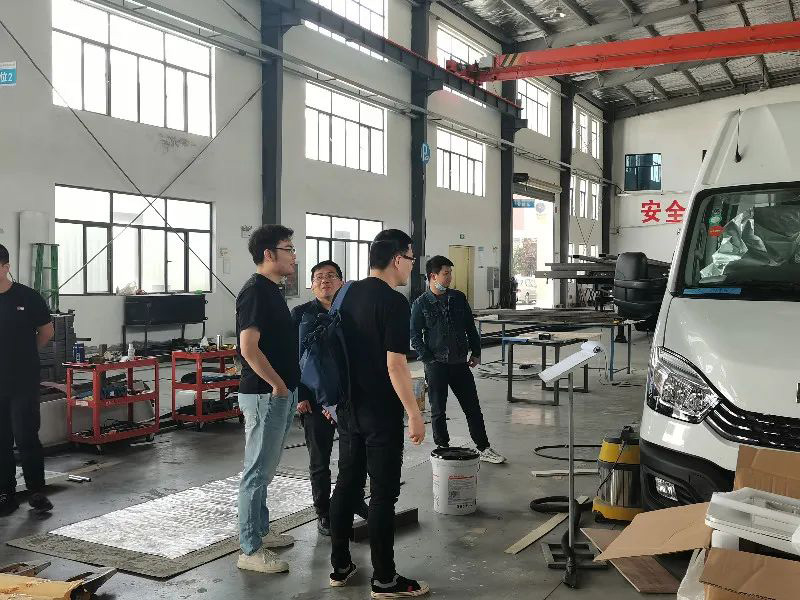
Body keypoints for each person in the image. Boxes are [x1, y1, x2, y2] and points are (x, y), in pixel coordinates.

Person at [328, 229, 429, 598]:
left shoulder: (345, 293)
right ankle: (385, 580)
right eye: (411, 259)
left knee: (346, 484)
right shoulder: (394, 302)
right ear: (398, 259)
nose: (412, 266)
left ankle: (340, 567)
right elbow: (395, 365)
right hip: (380, 412)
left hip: (347, 408)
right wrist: (414, 412)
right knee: (384, 495)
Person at [235, 225, 300, 574]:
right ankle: (249, 549)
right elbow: (248, 348)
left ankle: (260, 530)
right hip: (264, 394)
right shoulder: (255, 292)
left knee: (265, 469)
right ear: (268, 254)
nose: (294, 256)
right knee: (256, 472)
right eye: (288, 249)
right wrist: (277, 385)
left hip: (278, 392)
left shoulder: (272, 290)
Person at [291, 260, 368, 536]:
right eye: (319, 277)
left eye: (331, 276)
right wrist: (301, 395)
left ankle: (354, 499)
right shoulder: (300, 315)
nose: (325, 281)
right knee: (319, 459)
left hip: (348, 399)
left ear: (341, 283)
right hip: (313, 400)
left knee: (354, 455)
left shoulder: (351, 313)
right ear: (312, 285)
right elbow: (293, 358)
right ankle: (323, 512)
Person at [410, 256, 505, 464]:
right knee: (438, 410)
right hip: (436, 366)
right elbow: (414, 336)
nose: (450, 277)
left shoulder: (458, 298)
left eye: (450, 273)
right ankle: (442, 449)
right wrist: (429, 360)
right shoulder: (420, 304)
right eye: (446, 273)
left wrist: (476, 352)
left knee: (472, 408)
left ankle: (483, 447)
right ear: (433, 276)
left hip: (460, 364)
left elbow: (470, 327)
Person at [0, 243, 55, 516]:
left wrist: (25, 354)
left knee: (26, 436)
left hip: (22, 380)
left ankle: (36, 491)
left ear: (5, 267)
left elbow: (46, 332)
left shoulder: (27, 297)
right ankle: (5, 494)